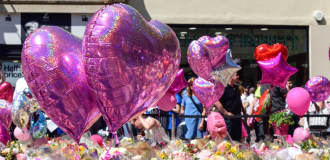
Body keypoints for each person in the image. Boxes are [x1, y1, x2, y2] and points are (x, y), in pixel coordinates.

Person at [215, 72, 242, 142]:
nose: (238, 76)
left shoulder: (236, 88)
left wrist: (240, 112)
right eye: (237, 75)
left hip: (237, 118)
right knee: (226, 141)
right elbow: (216, 102)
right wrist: (226, 113)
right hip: (228, 119)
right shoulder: (224, 88)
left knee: (237, 140)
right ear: (231, 77)